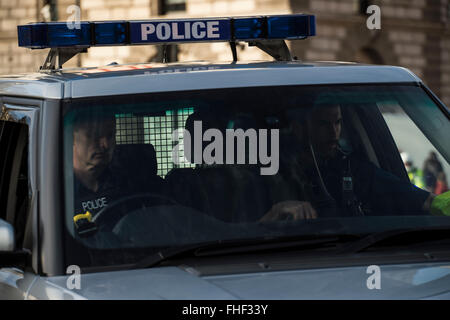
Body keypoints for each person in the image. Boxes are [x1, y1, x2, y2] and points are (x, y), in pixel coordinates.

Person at [262, 103, 444, 221]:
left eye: (338, 122)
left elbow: (419, 199)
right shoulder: (270, 172)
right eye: (323, 124)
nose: (333, 132)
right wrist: (275, 213)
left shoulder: (353, 169)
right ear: (299, 128)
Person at [72, 112, 162, 221]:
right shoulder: (57, 189)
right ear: (71, 137)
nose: (105, 144)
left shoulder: (129, 184)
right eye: (94, 135)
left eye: (110, 135)